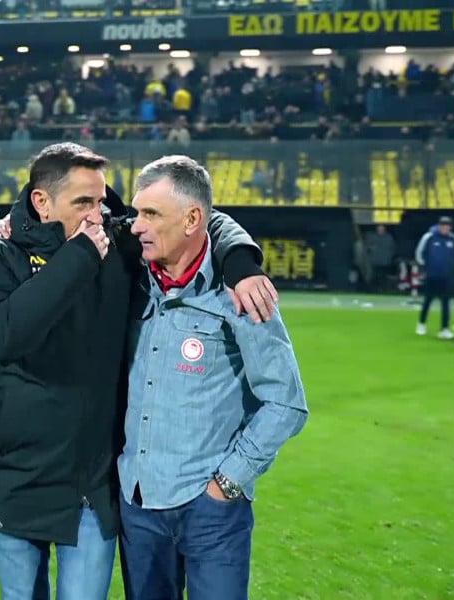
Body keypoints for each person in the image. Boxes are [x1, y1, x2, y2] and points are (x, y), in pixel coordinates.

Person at [0, 143, 276, 600]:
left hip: (92, 481)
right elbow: (4, 337)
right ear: (42, 202)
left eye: (101, 200)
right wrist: (78, 255)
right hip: (18, 475)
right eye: (83, 202)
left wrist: (240, 261)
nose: (98, 215)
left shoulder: (115, 242)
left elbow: (197, 218)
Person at [116, 156, 308, 600]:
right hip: (137, 503)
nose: (137, 226)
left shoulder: (240, 294)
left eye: (151, 214)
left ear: (192, 220)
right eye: (137, 212)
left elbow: (286, 402)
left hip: (211, 513)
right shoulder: (129, 276)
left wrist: (228, 482)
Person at [414, 216, 454, 339]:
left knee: (445, 303)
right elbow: (419, 253)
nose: (445, 228)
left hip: (447, 276)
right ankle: (421, 324)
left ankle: (444, 328)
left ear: (450, 227)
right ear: (439, 226)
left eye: (447, 225)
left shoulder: (453, 239)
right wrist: (425, 268)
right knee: (428, 300)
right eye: (442, 225)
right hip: (432, 275)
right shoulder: (429, 237)